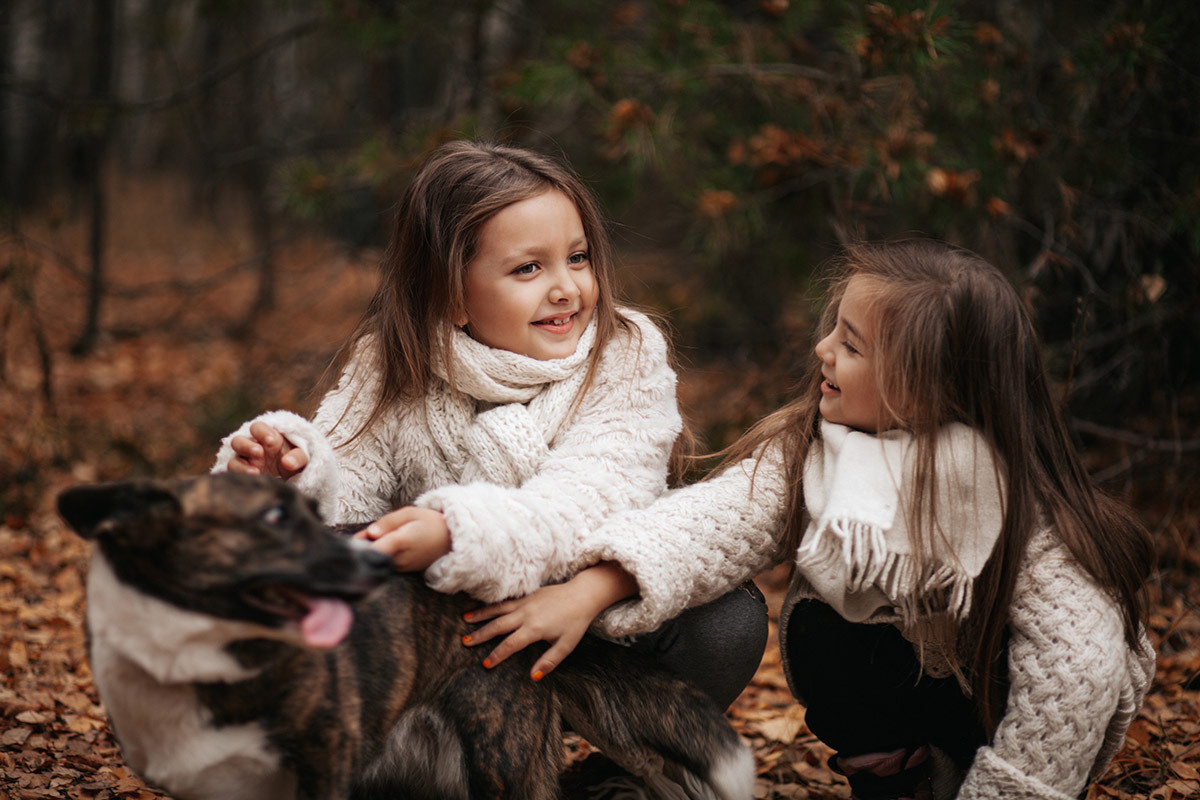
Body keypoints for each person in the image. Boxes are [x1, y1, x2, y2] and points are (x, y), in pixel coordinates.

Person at [466, 239, 1156, 800]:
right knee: (829, 630)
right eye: (835, 330)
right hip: (918, 686)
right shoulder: (817, 451)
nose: (824, 349)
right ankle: (902, 775)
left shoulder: (1024, 506)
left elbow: (1075, 672)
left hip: (1021, 722)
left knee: (1029, 673)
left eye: (852, 346)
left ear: (930, 388)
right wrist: (588, 590)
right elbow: (714, 520)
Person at [211, 139, 767, 711]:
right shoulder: (393, 362)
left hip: (583, 616)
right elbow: (351, 492)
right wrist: (292, 479)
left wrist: (457, 533)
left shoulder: (623, 354)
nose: (566, 288)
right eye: (528, 267)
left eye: (577, 258)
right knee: (297, 568)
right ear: (451, 293)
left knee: (724, 623)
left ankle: (635, 764)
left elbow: (592, 498)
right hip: (450, 632)